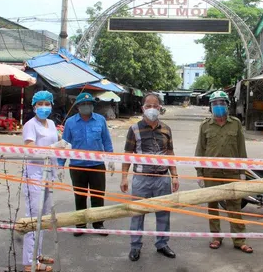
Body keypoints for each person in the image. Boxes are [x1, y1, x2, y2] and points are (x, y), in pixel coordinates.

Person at [120, 93, 179, 261]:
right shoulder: (134, 129)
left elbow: (170, 153)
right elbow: (128, 154)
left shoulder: (166, 129)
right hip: (141, 179)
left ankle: (162, 244)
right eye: (148, 106)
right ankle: (135, 246)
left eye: (155, 106)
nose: (152, 109)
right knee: (137, 213)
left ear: (160, 108)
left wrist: (174, 175)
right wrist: (124, 177)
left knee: (163, 213)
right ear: (142, 108)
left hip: (162, 178)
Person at [195, 90, 253, 254]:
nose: (218, 106)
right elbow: (200, 150)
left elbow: (242, 149)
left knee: (234, 206)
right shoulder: (205, 126)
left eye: (221, 103)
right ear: (210, 107)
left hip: (232, 173)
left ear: (227, 105)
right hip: (211, 173)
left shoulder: (235, 124)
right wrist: (199, 172)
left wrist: (243, 172)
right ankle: (216, 237)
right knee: (213, 206)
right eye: (215, 104)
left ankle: (239, 240)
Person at [61, 92, 114, 236]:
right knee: (80, 196)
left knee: (98, 195)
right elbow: (64, 144)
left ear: (92, 106)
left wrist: (111, 159)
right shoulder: (70, 122)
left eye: (89, 104)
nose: (86, 106)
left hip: (97, 165)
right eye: (83, 104)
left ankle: (98, 224)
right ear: (77, 107)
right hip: (78, 166)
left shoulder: (100, 120)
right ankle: (81, 224)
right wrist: (60, 165)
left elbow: (106, 140)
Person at [22, 91, 58, 272]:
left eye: (47, 103)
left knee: (43, 217)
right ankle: (29, 261)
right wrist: (50, 149)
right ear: (35, 106)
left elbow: (55, 144)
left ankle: (37, 253)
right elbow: (29, 149)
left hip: (48, 174)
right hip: (34, 175)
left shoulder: (51, 123)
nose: (44, 107)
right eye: (41, 103)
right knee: (33, 216)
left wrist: (61, 148)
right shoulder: (30, 125)